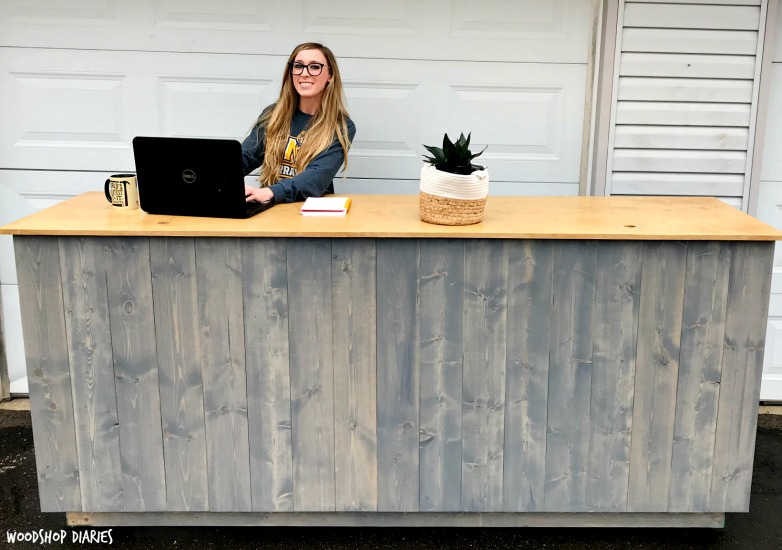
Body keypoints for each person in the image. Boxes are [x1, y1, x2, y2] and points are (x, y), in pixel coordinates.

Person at [242, 42, 356, 204]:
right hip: (272, 209)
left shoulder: (341, 126)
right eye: (298, 66)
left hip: (310, 212)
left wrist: (270, 192)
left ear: (330, 75)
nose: (304, 73)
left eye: (315, 67)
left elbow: (316, 177)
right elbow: (247, 155)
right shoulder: (273, 115)